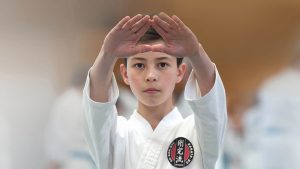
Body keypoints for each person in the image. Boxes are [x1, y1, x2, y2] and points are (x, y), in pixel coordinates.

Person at [82, 12, 227, 169]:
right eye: (139, 65)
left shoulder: (197, 133)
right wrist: (107, 54)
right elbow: (97, 108)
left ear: (180, 72)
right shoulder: (117, 134)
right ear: (125, 74)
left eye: (162, 64)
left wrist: (196, 54)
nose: (151, 76)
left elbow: (212, 110)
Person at [44, 65, 95, 169]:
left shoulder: (64, 100)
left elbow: (52, 133)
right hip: (77, 160)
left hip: (71, 160)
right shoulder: (73, 102)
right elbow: (59, 134)